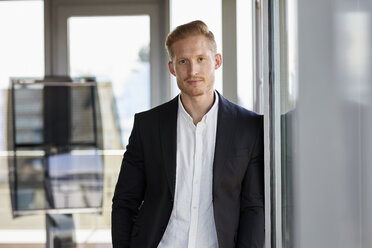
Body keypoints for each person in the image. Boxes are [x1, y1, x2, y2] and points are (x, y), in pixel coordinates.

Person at [112, 20, 264, 248]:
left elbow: (254, 206)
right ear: (172, 67)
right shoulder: (147, 126)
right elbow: (125, 200)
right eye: (183, 61)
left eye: (201, 59)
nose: (193, 71)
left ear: (217, 61)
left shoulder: (248, 126)